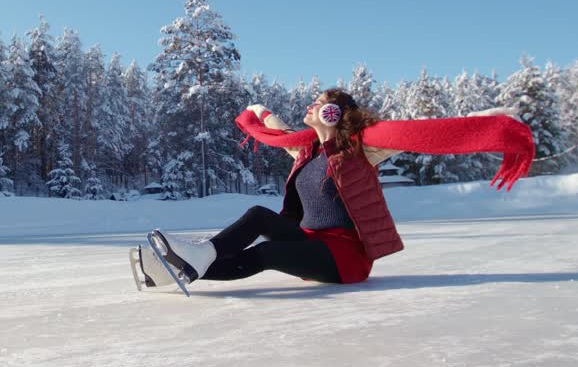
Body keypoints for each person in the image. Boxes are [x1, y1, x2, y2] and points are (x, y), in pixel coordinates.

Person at [138, 87, 534, 289]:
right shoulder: (305, 149)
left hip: (344, 257)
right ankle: (194, 262)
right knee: (260, 216)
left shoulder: (361, 149)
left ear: (333, 113)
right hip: (311, 239)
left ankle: (191, 266)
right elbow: (276, 131)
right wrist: (259, 113)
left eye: (318, 103)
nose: (309, 107)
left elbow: (421, 134)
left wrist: (488, 121)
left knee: (266, 253)